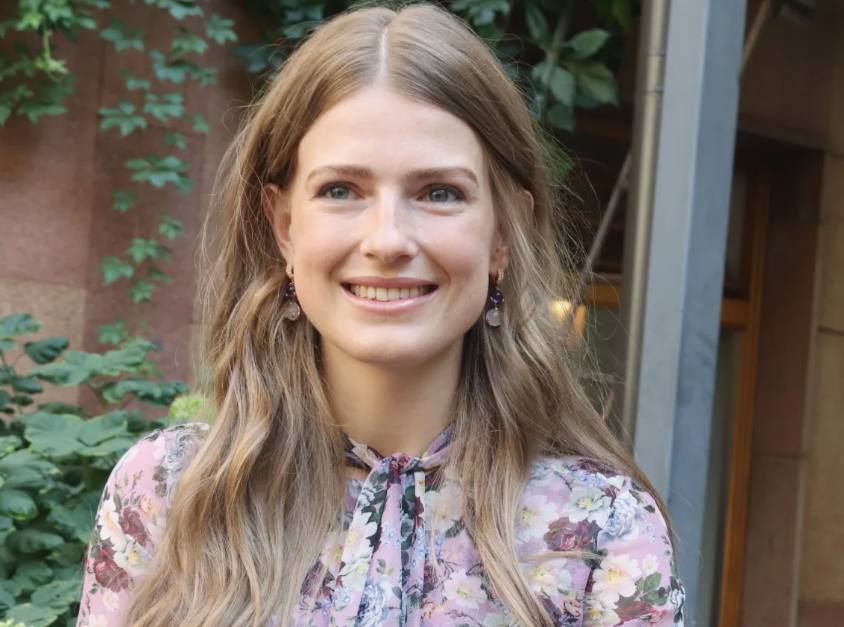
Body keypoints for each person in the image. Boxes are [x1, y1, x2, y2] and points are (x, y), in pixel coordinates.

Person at [74, 3, 686, 627]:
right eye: (340, 190)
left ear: (504, 235)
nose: (387, 240)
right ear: (284, 228)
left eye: (440, 192)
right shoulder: (165, 494)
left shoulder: (603, 530)